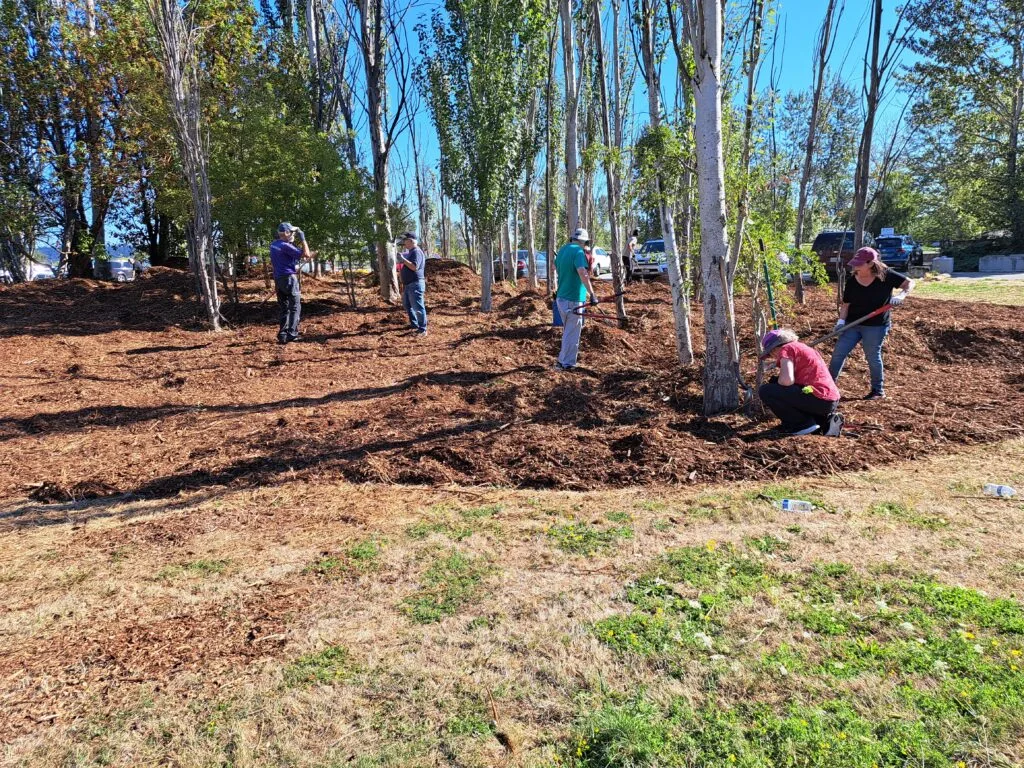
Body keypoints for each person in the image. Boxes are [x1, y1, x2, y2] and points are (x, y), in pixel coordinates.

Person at [829, 246, 913, 400]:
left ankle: (877, 391)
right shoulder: (852, 281)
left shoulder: (886, 276)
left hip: (876, 326)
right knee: (838, 354)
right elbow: (846, 305)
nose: (855, 267)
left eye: (859, 264)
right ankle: (827, 386)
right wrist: (841, 321)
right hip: (853, 324)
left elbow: (909, 283)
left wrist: (902, 295)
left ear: (870, 263)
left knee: (872, 356)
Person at [759, 328, 841, 436]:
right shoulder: (803, 347)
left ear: (774, 349)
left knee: (767, 390)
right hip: (829, 400)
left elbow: (786, 381)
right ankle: (824, 422)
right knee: (782, 389)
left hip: (817, 398)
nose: (773, 357)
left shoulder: (786, 349)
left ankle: (801, 425)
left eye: (770, 354)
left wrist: (776, 383)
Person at [554, 227, 598, 371]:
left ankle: (562, 361)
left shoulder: (561, 251)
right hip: (573, 299)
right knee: (572, 332)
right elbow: (582, 272)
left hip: (561, 297)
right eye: (585, 243)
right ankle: (566, 364)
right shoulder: (578, 252)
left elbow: (554, 270)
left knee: (568, 330)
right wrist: (592, 294)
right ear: (582, 241)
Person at [270, 222, 312, 344]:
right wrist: (303, 239)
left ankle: (282, 334)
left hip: (279, 279)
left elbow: (286, 257)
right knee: (295, 307)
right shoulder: (286, 246)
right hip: (289, 278)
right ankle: (292, 334)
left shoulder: (274, 245)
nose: (294, 234)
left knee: (284, 308)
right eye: (292, 232)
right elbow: (307, 254)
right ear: (287, 233)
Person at [397, 231, 427, 335]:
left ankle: (422, 329)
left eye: (405, 240)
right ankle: (414, 324)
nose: (404, 243)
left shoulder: (416, 252)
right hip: (408, 284)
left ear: (411, 241)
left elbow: (414, 267)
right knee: (407, 305)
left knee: (418, 307)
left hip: (415, 284)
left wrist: (403, 260)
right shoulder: (410, 252)